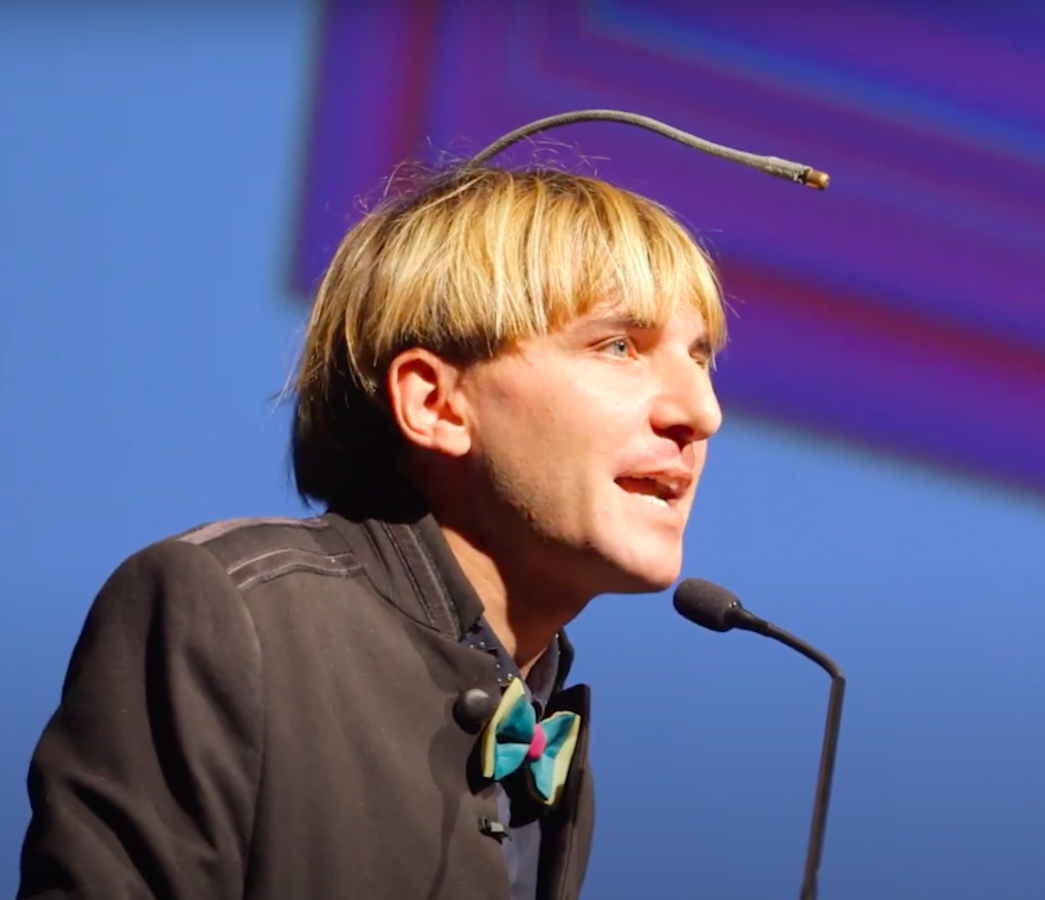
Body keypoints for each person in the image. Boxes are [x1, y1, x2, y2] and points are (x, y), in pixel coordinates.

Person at [15, 160, 728, 900]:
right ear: (436, 404)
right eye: (618, 346)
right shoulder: (232, 615)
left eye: (701, 357)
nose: (700, 412)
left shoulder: (543, 735)